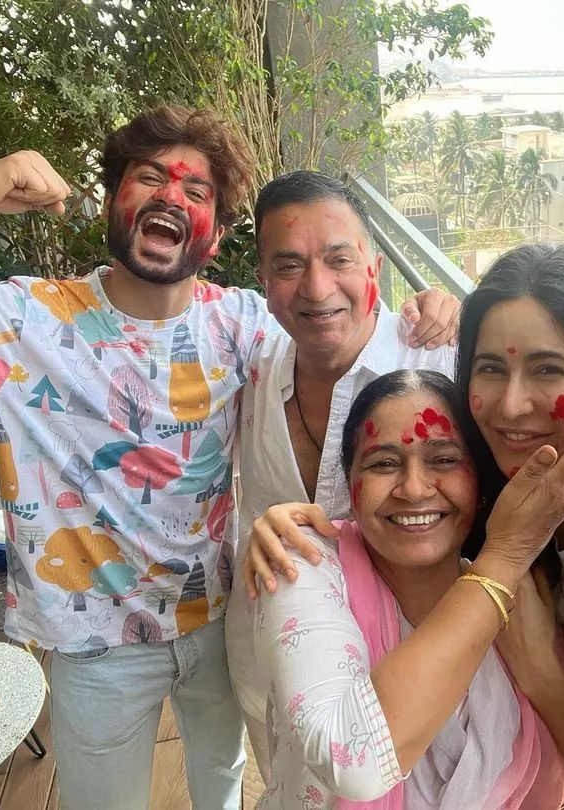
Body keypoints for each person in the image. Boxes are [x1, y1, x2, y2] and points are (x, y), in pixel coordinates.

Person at [0, 106, 457, 810]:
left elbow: (339, 321)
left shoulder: (245, 323)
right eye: (148, 177)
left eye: (196, 191)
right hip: (95, 649)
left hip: (221, 623)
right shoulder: (20, 321)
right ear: (112, 200)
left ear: (216, 235)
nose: (171, 196)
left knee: (221, 789)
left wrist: (436, 316)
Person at [248, 244, 564, 808]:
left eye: (548, 369)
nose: (510, 405)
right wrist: (278, 522)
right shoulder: (479, 488)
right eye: (491, 368)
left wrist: (540, 672)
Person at [255, 369, 564, 808]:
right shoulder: (303, 562)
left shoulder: (530, 600)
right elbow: (352, 759)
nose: (414, 489)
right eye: (383, 463)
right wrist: (504, 558)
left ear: (480, 483)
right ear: (349, 481)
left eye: (444, 459)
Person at [224, 172, 459, 771]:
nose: (317, 287)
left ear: (374, 268)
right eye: (289, 265)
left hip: (413, 674)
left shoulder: (438, 362)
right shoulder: (250, 364)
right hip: (272, 664)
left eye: (339, 259)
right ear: (264, 283)